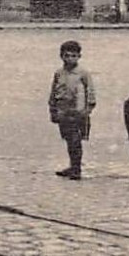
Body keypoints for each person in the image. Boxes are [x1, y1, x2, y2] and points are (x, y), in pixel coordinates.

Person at [47, 40, 95, 180]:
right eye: (67, 56)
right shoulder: (59, 73)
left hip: (78, 111)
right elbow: (53, 91)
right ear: (61, 56)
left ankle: (77, 168)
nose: (70, 59)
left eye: (74, 56)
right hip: (63, 110)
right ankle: (72, 165)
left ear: (79, 56)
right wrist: (52, 109)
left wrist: (88, 109)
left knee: (76, 140)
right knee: (68, 139)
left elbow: (90, 91)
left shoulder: (83, 74)